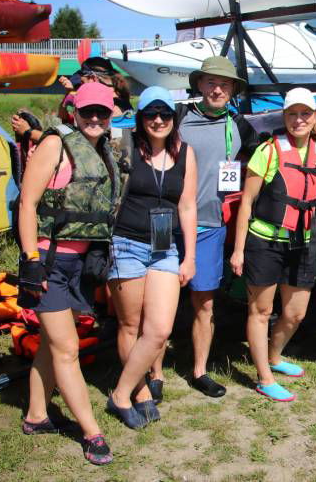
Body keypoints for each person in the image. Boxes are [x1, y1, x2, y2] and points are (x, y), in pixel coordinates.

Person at [16, 82, 122, 465]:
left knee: (51, 343)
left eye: (102, 112)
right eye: (87, 111)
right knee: (67, 348)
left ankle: (36, 415)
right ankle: (92, 433)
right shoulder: (54, 145)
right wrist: (30, 259)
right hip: (48, 261)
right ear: (73, 111)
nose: (94, 119)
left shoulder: (103, 150)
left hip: (79, 265)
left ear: (111, 116)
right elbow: (27, 203)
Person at [230, 88, 316, 402]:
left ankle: (274, 355)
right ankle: (264, 377)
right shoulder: (268, 151)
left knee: (296, 314)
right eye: (292, 114)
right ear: (284, 116)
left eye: (305, 114)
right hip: (265, 242)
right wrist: (238, 250)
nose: (298, 120)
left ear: (314, 117)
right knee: (261, 311)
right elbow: (246, 202)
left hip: (302, 241)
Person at [107, 87, 197, 427]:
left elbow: (187, 206)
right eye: (150, 114)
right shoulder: (124, 149)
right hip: (126, 243)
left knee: (159, 329)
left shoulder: (185, 154)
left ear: (174, 119)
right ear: (140, 118)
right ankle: (140, 391)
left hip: (164, 247)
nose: (158, 120)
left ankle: (118, 393)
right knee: (130, 325)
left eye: (165, 114)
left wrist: (190, 257)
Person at [180, 57, 258, 397]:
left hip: (211, 225)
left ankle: (199, 371)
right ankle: (153, 373)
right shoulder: (178, 118)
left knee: (205, 302)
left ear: (232, 91)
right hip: (169, 225)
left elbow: (262, 160)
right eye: (211, 82)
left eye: (224, 85)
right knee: (156, 303)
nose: (217, 89)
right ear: (199, 85)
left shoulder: (238, 126)